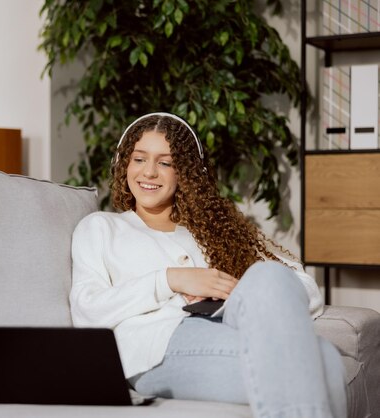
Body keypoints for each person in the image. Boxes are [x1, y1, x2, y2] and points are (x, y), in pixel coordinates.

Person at [70, 113, 346, 417]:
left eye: (165, 163)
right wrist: (170, 280)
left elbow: (307, 290)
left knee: (274, 284)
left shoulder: (215, 232)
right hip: (155, 348)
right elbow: (87, 310)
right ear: (124, 165)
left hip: (229, 325)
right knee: (324, 361)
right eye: (139, 159)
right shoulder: (101, 228)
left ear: (185, 174)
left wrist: (244, 294)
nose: (149, 172)